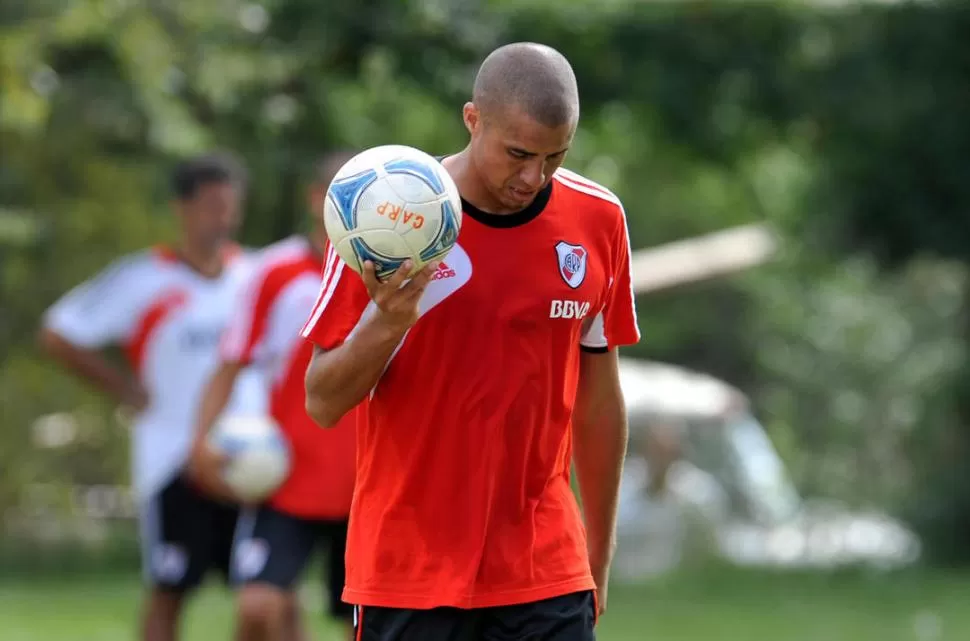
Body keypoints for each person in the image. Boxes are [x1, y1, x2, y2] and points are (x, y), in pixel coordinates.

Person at [301, 42, 640, 641]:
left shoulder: (598, 219)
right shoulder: (385, 218)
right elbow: (322, 401)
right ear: (472, 119)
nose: (534, 177)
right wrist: (389, 319)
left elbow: (598, 399)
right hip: (409, 571)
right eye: (518, 153)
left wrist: (598, 553)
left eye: (555, 155)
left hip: (546, 569)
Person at [38, 152, 265, 641]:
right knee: (169, 589)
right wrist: (124, 388)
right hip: (172, 460)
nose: (222, 217)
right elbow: (58, 332)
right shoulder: (142, 278)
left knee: (261, 596)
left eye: (230, 206)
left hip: (245, 461)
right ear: (182, 208)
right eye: (210, 206)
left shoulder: (255, 275)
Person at [188, 152, 360, 641]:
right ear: (314, 199)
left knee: (371, 625)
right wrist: (201, 441)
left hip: (368, 481)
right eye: (338, 197)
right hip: (286, 474)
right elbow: (230, 364)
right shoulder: (274, 272)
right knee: (259, 608)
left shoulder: (390, 275)